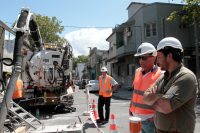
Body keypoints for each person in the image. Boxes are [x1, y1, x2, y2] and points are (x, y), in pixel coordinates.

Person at [143, 37, 198, 133]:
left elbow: (165, 107)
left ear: (169, 56)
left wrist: (153, 99)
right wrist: (160, 96)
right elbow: (145, 98)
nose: (157, 61)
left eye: (159, 57)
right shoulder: (163, 77)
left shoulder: (185, 77)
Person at [129, 42, 164, 133]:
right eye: (139, 58)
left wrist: (155, 117)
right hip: (135, 118)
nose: (141, 60)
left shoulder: (161, 74)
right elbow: (136, 91)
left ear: (154, 58)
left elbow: (163, 98)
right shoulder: (138, 71)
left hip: (150, 121)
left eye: (144, 57)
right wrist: (131, 106)